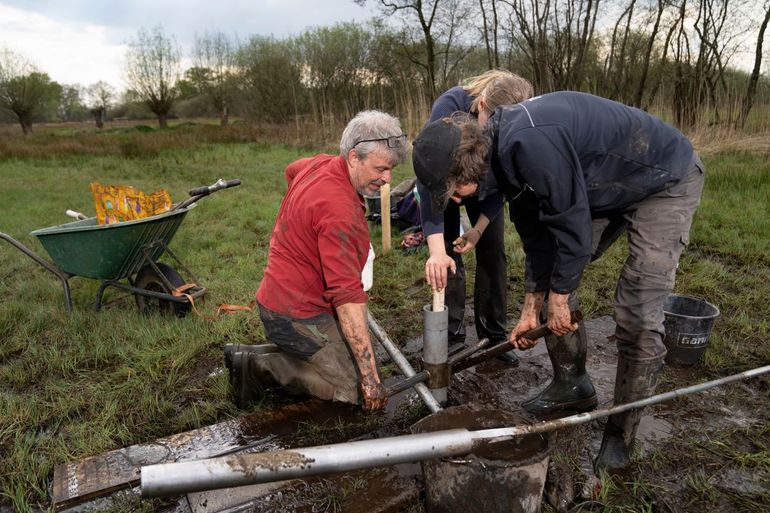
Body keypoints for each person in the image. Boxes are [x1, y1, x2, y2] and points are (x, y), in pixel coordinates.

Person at [412, 92, 705, 472]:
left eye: (451, 192)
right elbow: (539, 241)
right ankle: (573, 385)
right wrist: (531, 309)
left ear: (468, 173)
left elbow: (572, 229)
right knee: (558, 280)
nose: (452, 200)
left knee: (637, 310)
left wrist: (560, 299)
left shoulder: (530, 144)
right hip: (600, 186)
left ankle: (621, 438)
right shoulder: (500, 161)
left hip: (664, 179)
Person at [229, 110, 407, 411]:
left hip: (290, 299)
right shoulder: (340, 212)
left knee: (359, 353)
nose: (388, 178)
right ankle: (257, 364)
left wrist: (301, 227)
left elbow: (291, 170)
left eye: (390, 169)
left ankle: (283, 353)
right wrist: (371, 380)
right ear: (354, 157)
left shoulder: (322, 164)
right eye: (380, 168)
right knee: (352, 389)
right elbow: (347, 298)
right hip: (293, 314)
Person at [418, 70, 533, 364]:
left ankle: (493, 336)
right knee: (447, 253)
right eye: (493, 121)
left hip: (485, 187)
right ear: (481, 105)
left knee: (493, 251)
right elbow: (428, 173)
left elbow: (504, 183)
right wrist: (435, 251)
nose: (498, 129)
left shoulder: (513, 124)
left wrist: (479, 229)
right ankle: (452, 332)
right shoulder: (450, 107)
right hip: (446, 184)